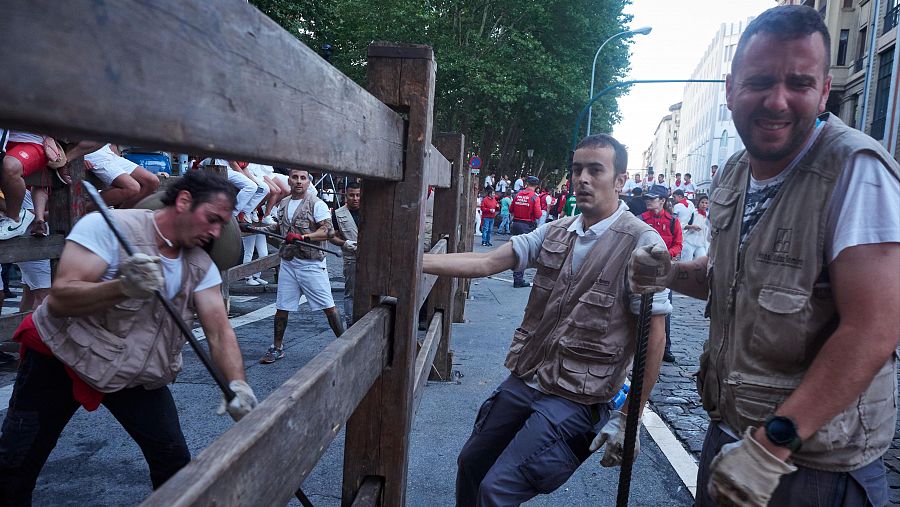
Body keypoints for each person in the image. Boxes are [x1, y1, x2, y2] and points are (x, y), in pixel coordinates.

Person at [629, 6, 900, 506]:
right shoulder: (734, 171)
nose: (777, 101)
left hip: (810, 467)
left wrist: (774, 443)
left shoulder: (855, 169)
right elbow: (723, 278)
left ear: (823, 91)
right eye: (759, 81)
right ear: (731, 88)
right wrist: (667, 273)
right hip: (730, 436)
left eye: (798, 83)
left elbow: (875, 329)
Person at [423, 133, 670, 506]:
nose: (583, 178)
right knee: (471, 464)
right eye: (577, 170)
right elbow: (487, 262)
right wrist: (412, 259)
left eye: (595, 170)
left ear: (620, 181)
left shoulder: (642, 243)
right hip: (528, 376)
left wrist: (629, 416)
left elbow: (654, 336)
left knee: (496, 491)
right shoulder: (557, 231)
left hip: (578, 397)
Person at [0, 171, 258, 503]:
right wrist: (122, 287)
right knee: (16, 466)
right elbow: (62, 297)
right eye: (212, 219)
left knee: (174, 463)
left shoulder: (198, 263)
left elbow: (219, 332)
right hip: (61, 355)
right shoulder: (110, 228)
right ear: (183, 202)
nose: (215, 232)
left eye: (222, 225)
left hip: (133, 370)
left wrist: (238, 384)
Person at [261, 168, 344, 364]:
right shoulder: (283, 203)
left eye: (303, 178)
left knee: (328, 307)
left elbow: (328, 231)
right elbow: (280, 227)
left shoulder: (317, 204)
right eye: (295, 177)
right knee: (282, 306)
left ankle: (346, 345)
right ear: (289, 181)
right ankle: (277, 348)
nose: (299, 181)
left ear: (308, 182)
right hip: (289, 263)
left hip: (311, 264)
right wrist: (257, 228)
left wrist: (304, 237)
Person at [639, 184, 682, 364]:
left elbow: (678, 245)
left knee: (665, 309)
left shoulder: (673, 221)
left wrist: (665, 254)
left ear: (662, 201)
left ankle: (665, 348)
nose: (648, 201)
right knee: (638, 308)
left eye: (652, 198)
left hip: (664, 269)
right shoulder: (640, 219)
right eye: (647, 198)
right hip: (643, 269)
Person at [330, 181, 361, 328]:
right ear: (345, 196)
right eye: (352, 195)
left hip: (371, 257)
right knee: (351, 293)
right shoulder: (337, 214)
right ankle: (350, 323)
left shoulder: (371, 210)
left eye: (358, 195)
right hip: (351, 258)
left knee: (374, 289)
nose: (355, 198)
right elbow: (332, 236)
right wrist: (344, 243)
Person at [509, 176, 542, 287]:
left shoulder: (518, 195)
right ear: (536, 186)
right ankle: (518, 279)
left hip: (516, 224)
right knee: (523, 252)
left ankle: (516, 276)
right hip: (527, 225)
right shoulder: (534, 197)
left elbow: (511, 209)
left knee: (515, 249)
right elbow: (538, 215)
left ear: (527, 183)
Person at [680, 194, 708, 261]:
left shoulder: (708, 215)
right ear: (698, 203)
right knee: (686, 261)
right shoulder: (693, 213)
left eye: (706, 203)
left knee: (701, 261)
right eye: (702, 202)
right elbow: (682, 224)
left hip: (701, 243)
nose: (704, 205)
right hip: (689, 241)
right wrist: (692, 226)